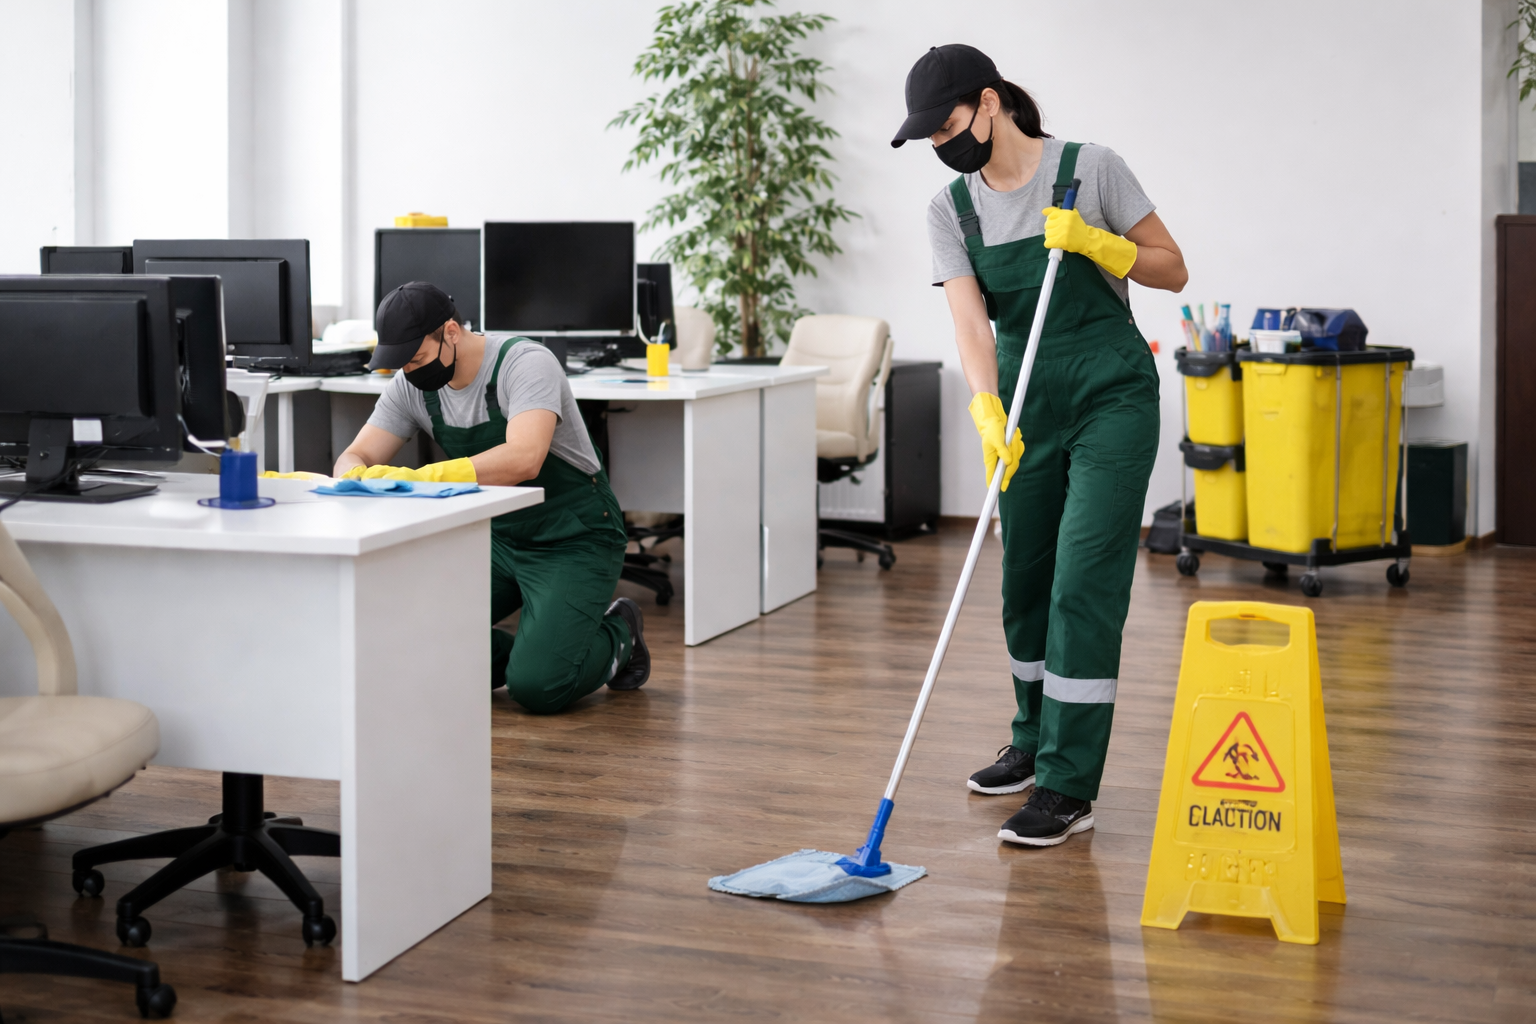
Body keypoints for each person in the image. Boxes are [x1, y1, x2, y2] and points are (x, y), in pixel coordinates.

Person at [893, 45, 1188, 847]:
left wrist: (1102, 245)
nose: (939, 144)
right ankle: (1030, 739)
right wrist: (987, 410)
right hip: (1025, 401)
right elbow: (969, 324)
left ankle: (1067, 783)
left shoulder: (1092, 169)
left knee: (1082, 581)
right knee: (1024, 583)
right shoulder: (950, 211)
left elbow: (1174, 270)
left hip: (1111, 395)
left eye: (947, 124)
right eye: (928, 136)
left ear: (989, 104)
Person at [335, 281, 650, 712]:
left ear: (450, 332)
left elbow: (525, 458)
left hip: (574, 534)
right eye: (402, 363)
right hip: (497, 537)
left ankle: (619, 632)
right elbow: (356, 453)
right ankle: (538, 646)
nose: (410, 371)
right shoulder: (411, 384)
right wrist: (352, 474)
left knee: (538, 685)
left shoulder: (523, 363)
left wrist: (419, 478)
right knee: (412, 639)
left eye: (417, 358)